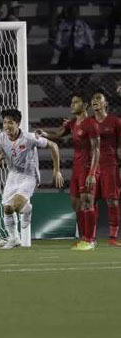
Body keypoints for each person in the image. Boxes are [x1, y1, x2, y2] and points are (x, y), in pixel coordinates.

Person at [0, 109, 63, 249]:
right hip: (13, 176)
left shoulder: (29, 138)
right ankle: (14, 239)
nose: (6, 126)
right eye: (4, 122)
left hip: (29, 176)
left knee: (15, 206)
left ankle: (27, 210)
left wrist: (57, 170)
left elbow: (54, 146)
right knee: (7, 209)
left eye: (10, 122)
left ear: (17, 123)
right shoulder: (1, 138)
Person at [38, 95, 100, 250]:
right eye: (71, 101)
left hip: (88, 167)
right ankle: (83, 238)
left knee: (87, 202)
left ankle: (90, 240)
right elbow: (58, 135)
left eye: (76, 102)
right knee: (76, 204)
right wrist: (44, 133)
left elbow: (97, 150)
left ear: (85, 105)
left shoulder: (91, 124)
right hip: (76, 168)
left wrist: (92, 173)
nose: (72, 104)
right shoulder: (72, 123)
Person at [90, 93, 121, 246]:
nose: (95, 102)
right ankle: (92, 237)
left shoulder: (115, 121)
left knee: (112, 201)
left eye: (98, 99)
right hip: (91, 167)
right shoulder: (88, 122)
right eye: (93, 100)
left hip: (110, 165)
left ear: (105, 103)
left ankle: (113, 238)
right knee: (91, 201)